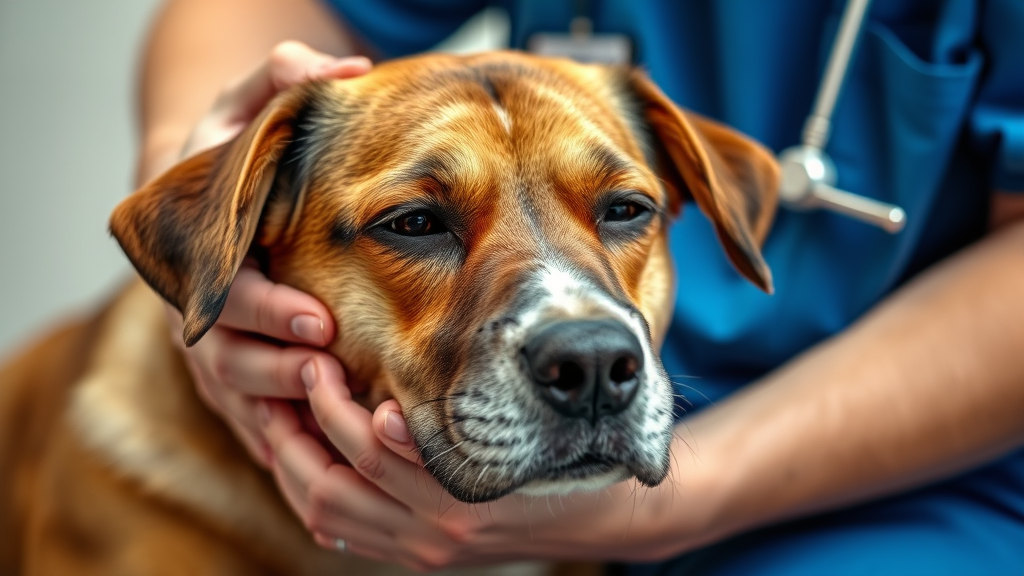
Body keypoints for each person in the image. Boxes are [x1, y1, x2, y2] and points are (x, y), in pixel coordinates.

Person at [136, 0, 1024, 573]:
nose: (585, 342)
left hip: (933, 472)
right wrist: (201, 170)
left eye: (624, 210)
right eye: (416, 224)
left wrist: (679, 505)